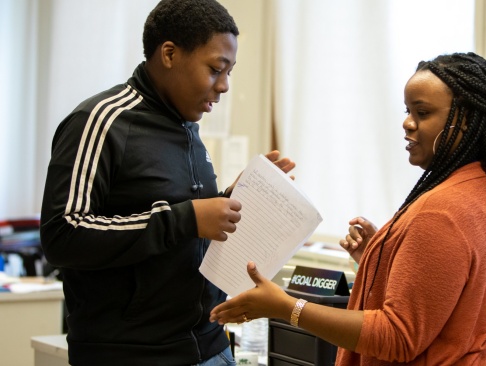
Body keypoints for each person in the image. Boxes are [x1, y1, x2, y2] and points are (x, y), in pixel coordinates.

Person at [209, 52, 486, 365]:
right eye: (407, 111)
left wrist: (286, 306)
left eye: (422, 113)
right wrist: (382, 261)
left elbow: (398, 336)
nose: (407, 124)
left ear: (465, 121)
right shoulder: (482, 185)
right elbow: (450, 295)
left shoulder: (442, 211)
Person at [40, 1, 295, 365]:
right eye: (215, 69)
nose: (223, 86)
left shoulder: (187, 129)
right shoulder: (101, 121)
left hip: (210, 347)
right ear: (170, 54)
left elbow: (183, 229)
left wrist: (230, 201)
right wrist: (186, 218)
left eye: (229, 72)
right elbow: (62, 234)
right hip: (130, 354)